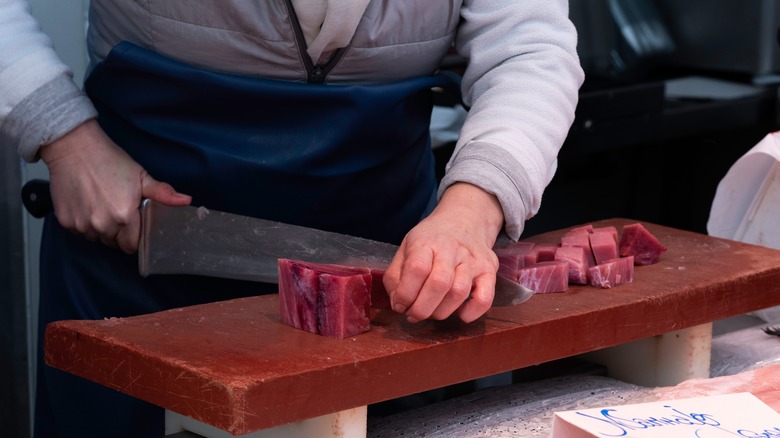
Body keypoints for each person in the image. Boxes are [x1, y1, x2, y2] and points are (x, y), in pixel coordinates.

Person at [2, 0, 583, 436]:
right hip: (139, 250)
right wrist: (64, 137)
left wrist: (471, 210)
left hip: (383, 278)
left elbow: (529, 49)